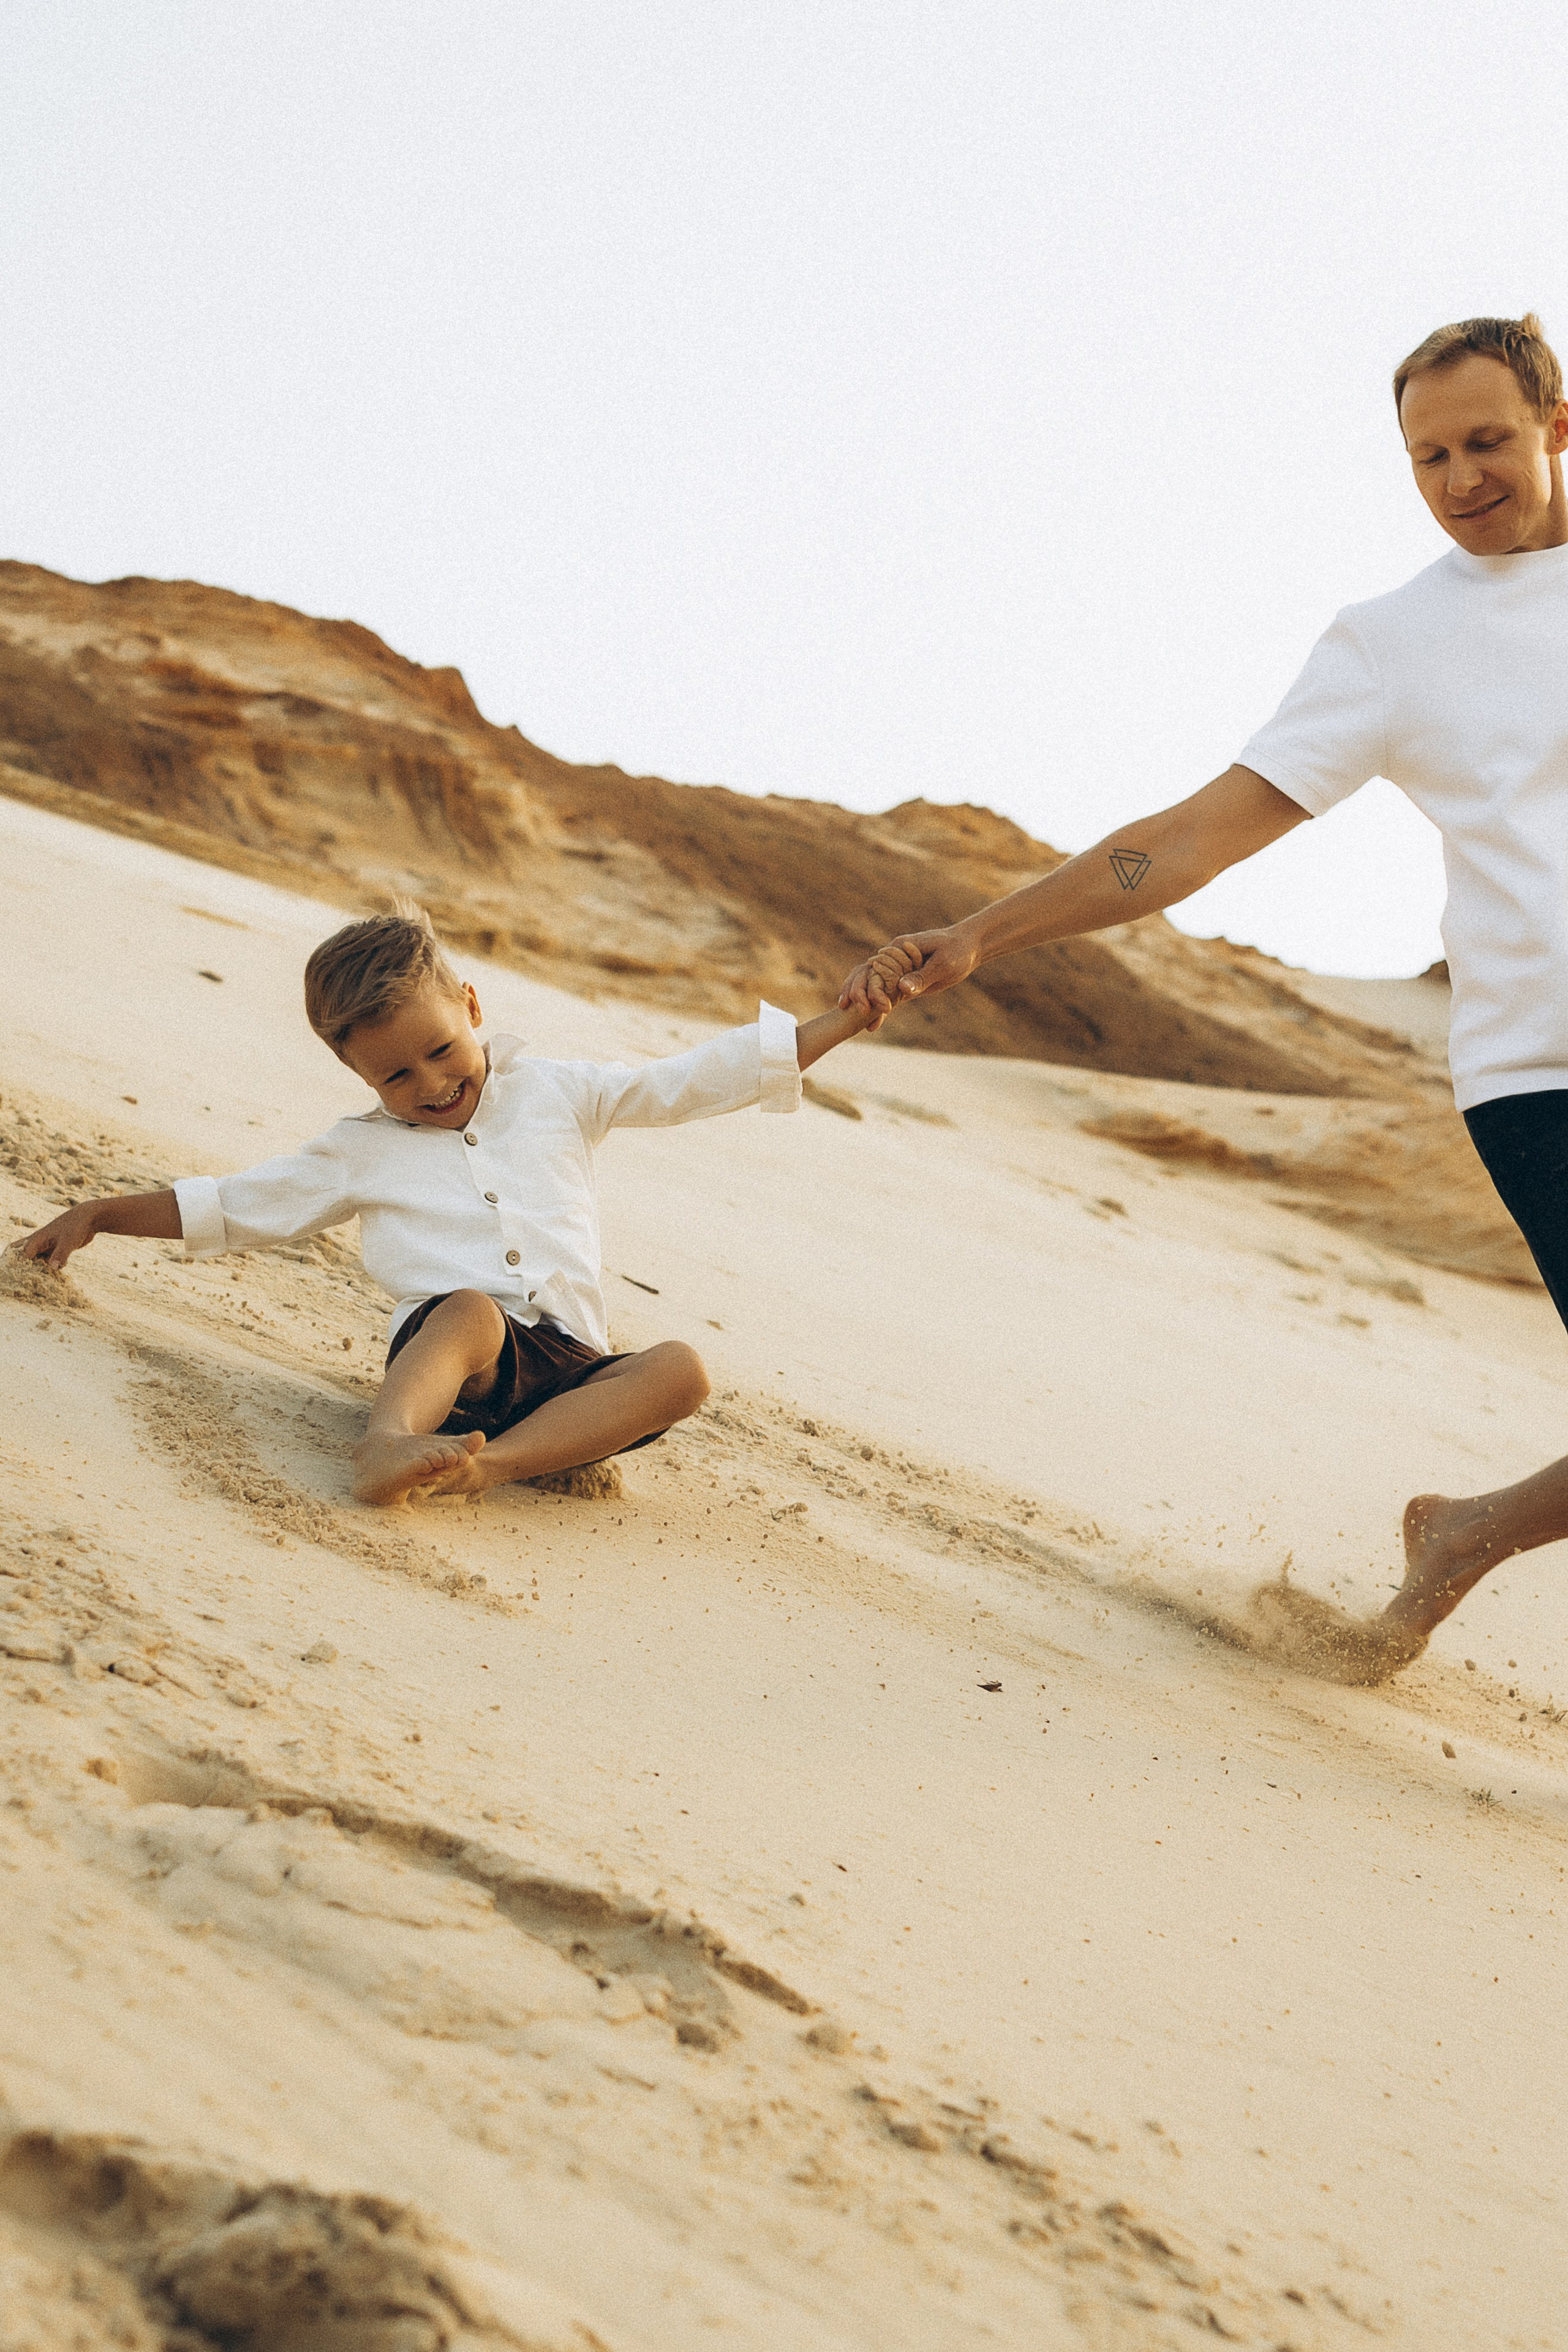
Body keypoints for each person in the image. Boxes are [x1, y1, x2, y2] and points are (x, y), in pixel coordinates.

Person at [840, 311, 1568, 1651]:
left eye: (1487, 442)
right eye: (1427, 457)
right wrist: (986, 933)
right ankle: (1468, 1535)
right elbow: (1190, 838)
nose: (1460, 479)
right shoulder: (1395, 643)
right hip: (1541, 1074)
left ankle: (1469, 1532)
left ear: (1555, 427)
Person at [21, 905, 878, 1506]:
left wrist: (837, 1024)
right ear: (357, 1072)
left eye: (440, 1050)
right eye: (396, 1075)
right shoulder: (360, 1150)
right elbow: (241, 1204)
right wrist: (98, 1214)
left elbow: (690, 1082)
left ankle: (493, 1467)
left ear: (471, 1006)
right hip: (458, 1364)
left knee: (681, 1370)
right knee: (469, 1308)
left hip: (570, 1370)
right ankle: (386, 1444)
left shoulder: (557, 1092)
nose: (430, 1084)